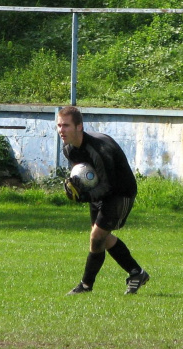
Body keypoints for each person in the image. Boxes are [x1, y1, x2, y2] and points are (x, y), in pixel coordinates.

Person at [57, 106, 150, 295]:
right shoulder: (69, 149)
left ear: (79, 127)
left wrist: (83, 196)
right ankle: (136, 273)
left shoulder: (99, 150)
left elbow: (108, 186)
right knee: (101, 238)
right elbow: (82, 173)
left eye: (66, 126)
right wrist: (75, 186)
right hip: (100, 191)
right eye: (59, 125)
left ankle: (85, 286)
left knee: (97, 236)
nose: (61, 130)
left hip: (120, 191)